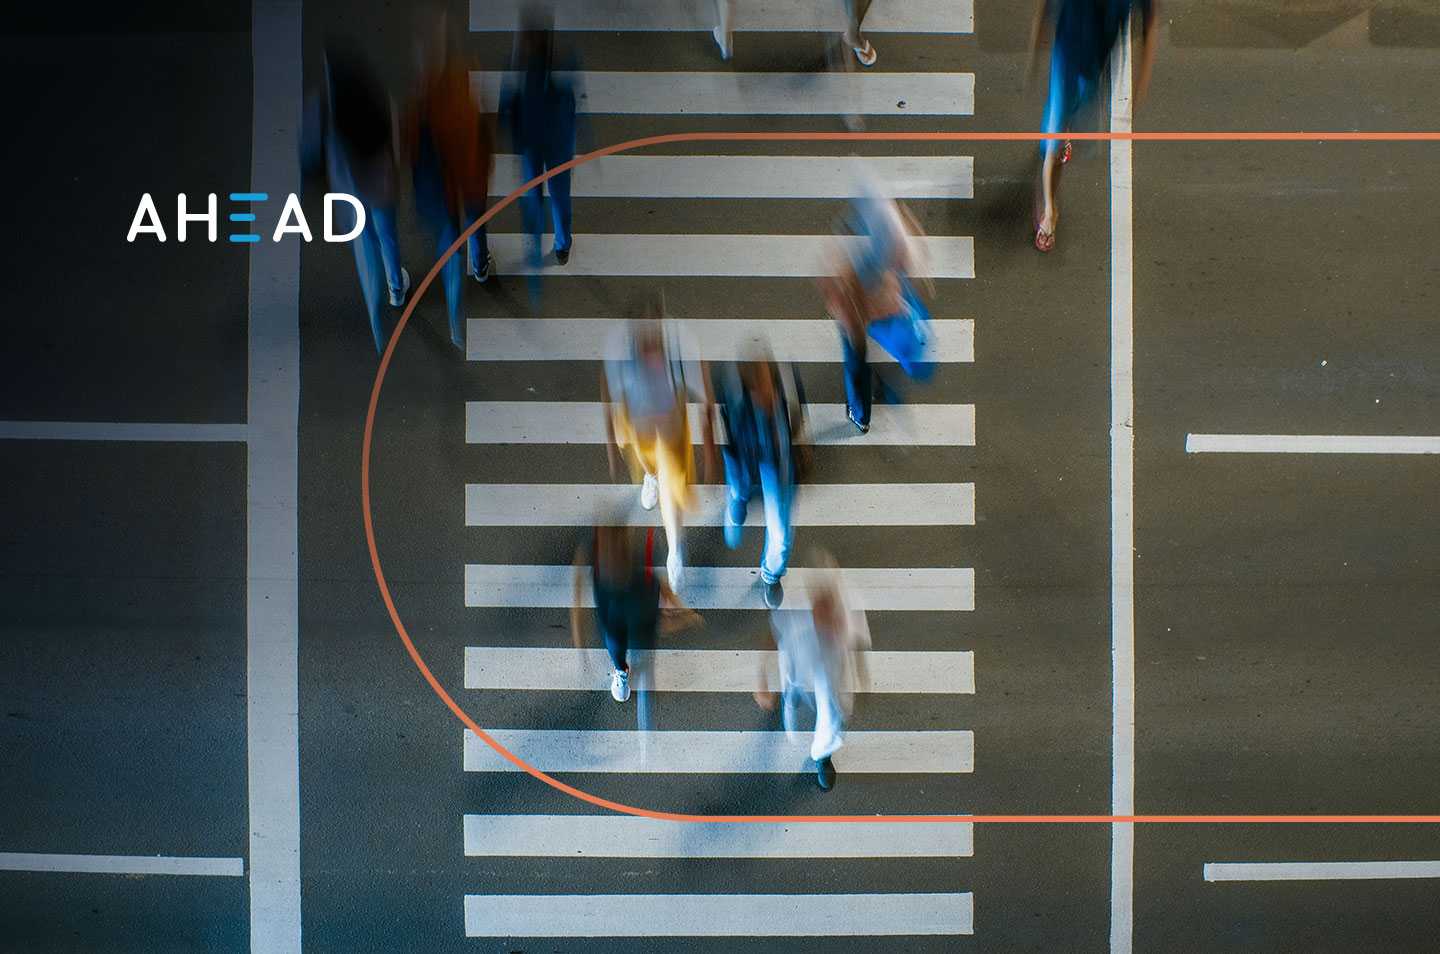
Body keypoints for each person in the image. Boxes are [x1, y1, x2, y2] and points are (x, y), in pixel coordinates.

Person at [1031, 0, 1158, 252]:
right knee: (1054, 141)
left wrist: (1141, 83)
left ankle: (1060, 139)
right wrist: (1038, 39)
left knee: (1064, 126)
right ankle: (1049, 210)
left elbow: (1150, 24)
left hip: (1094, 66)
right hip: (1066, 60)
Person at [404, 10, 496, 351]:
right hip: (470, 177)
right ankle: (481, 266)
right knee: (477, 225)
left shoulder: (419, 109)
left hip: (442, 194)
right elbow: (482, 127)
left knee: (450, 251)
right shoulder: (465, 78)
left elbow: (411, 153)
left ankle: (456, 319)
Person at [602, 314, 713, 591]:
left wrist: (710, 449)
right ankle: (651, 477)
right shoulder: (619, 347)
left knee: (671, 491)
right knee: (648, 467)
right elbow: (609, 390)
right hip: (637, 428)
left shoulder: (680, 342)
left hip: (669, 429)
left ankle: (674, 552)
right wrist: (612, 445)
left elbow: (703, 387)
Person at [314, 44, 411, 352]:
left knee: (366, 238)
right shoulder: (376, 103)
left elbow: (323, 159)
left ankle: (377, 296)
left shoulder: (332, 117)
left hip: (353, 192)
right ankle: (396, 287)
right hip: (381, 186)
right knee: (388, 237)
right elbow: (395, 140)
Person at [818, 186, 935, 434]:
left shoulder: (856, 252)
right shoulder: (889, 238)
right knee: (885, 358)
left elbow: (841, 294)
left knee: (857, 365)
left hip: (863, 318)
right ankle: (886, 391)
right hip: (888, 314)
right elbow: (909, 262)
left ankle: (861, 415)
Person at [754, 563, 871, 790]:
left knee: (830, 720)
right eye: (821, 603)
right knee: (795, 709)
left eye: (831, 604)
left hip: (830, 682)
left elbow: (857, 647)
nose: (825, 613)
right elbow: (772, 635)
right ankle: (792, 703)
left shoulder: (848, 617)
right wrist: (762, 680)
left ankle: (822, 756)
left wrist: (862, 679)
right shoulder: (794, 611)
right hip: (796, 677)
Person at [705, 352, 808, 610]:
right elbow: (713, 420)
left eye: (767, 382)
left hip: (777, 463)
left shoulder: (787, 385)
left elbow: (799, 415)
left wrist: (800, 443)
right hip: (742, 461)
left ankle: (771, 575)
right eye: (757, 384)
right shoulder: (733, 393)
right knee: (739, 494)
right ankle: (736, 507)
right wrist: (712, 462)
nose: (764, 391)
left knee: (781, 532)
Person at [571, 526, 699, 703]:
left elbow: (656, 583)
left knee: (629, 642)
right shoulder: (595, 552)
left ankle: (628, 669)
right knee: (618, 645)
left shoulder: (634, 552)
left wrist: (679, 611)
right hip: (620, 619)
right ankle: (624, 671)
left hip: (634, 612)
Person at [500, 13, 578, 291]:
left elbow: (508, 113)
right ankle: (562, 245)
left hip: (531, 146)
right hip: (557, 147)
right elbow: (571, 111)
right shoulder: (561, 70)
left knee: (533, 197)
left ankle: (536, 247)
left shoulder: (519, 75)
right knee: (559, 197)